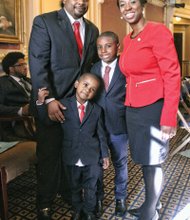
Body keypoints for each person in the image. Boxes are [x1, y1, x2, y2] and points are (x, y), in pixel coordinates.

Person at [29, 0, 99, 219]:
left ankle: (69, 193)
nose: (81, 2)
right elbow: (38, 64)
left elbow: (90, 67)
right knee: (49, 156)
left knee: (73, 153)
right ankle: (44, 203)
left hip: (77, 106)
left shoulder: (93, 29)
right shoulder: (44, 22)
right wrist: (49, 99)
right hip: (51, 102)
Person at [116, 0, 181, 220]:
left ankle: (150, 211)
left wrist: (169, 115)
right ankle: (152, 202)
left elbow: (172, 74)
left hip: (153, 107)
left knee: (153, 161)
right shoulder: (128, 38)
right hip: (134, 108)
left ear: (142, 5)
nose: (127, 7)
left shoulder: (157, 32)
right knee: (145, 159)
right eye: (122, 4)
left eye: (132, 1)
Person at [37, 73, 109, 220]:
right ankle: (77, 209)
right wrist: (40, 102)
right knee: (74, 186)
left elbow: (101, 134)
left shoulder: (97, 110)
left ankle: (89, 212)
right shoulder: (62, 104)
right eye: (85, 84)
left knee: (91, 187)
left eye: (93, 89)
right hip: (71, 154)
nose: (88, 90)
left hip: (92, 156)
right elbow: (47, 120)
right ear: (76, 84)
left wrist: (105, 154)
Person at [90, 31, 128, 217]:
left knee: (120, 163)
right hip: (97, 128)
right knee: (97, 166)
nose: (103, 50)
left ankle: (120, 198)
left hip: (119, 126)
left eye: (108, 46)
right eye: (99, 47)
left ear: (117, 47)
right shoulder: (93, 69)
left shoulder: (125, 67)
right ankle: (98, 199)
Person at [0, 52, 32, 141]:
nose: (25, 67)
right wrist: (20, 110)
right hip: (21, 123)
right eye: (21, 65)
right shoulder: (2, 83)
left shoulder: (29, 81)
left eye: (25, 64)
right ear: (11, 69)